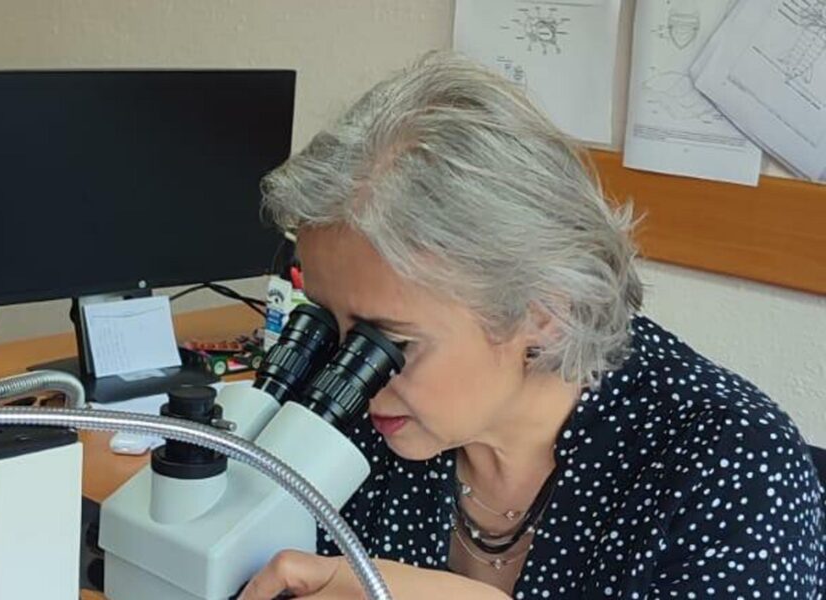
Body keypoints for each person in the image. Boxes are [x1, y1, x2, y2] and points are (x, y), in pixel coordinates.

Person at [239, 52, 826, 599]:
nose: (350, 378)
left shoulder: (732, 464)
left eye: (389, 344)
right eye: (328, 325)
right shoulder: (359, 424)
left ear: (544, 310)